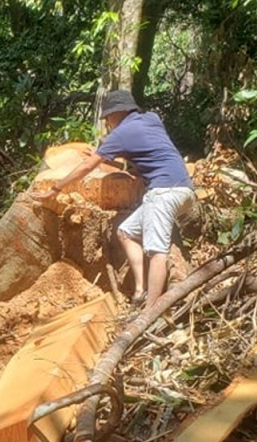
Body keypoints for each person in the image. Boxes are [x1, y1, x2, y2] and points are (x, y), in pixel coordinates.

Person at [32, 89, 194, 310]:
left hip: (164, 192)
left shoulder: (119, 135)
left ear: (119, 113)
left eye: (108, 117)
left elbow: (89, 166)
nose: (107, 122)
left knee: (157, 251)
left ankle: (151, 311)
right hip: (184, 189)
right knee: (125, 232)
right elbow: (147, 150)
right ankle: (140, 291)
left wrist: (57, 187)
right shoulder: (152, 119)